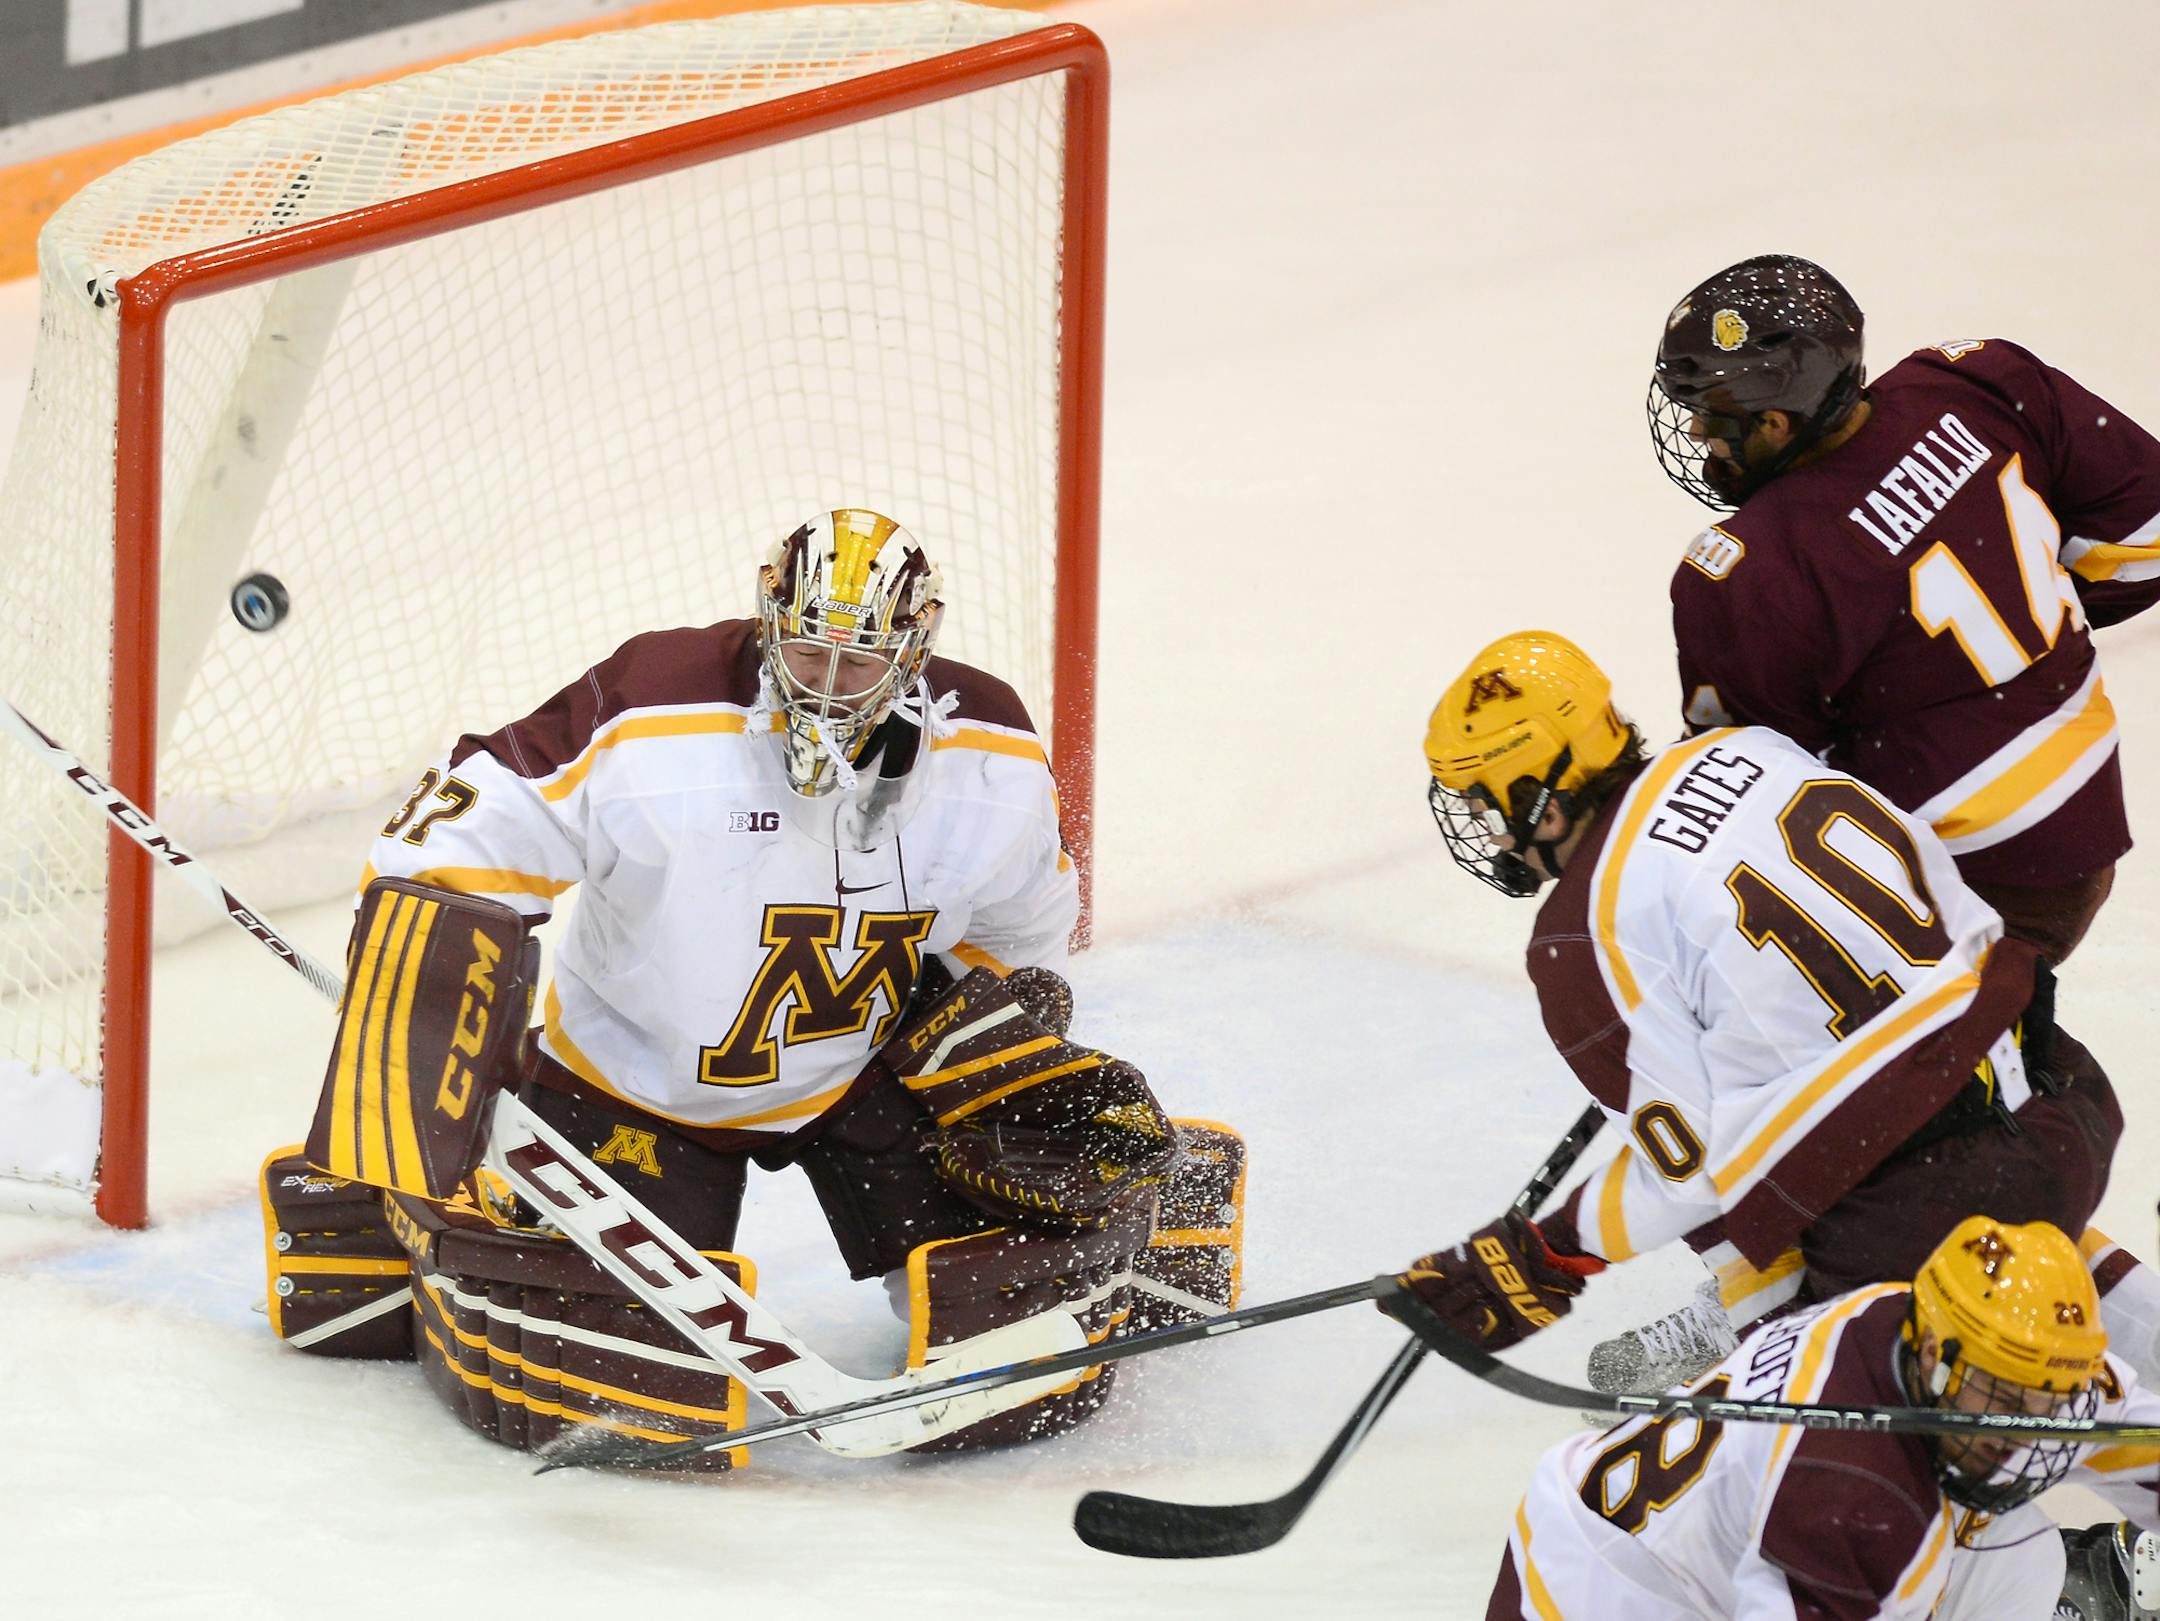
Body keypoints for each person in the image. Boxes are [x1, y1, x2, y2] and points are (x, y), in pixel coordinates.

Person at [259, 509, 1245, 1463]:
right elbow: (462, 828)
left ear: (915, 649)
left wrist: (992, 1039)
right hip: (636, 1083)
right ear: (771, 621)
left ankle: (1164, 1208)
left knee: (1025, 1278)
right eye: (806, 651)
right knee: (599, 1355)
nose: (824, 684)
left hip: (865, 1074)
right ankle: (388, 1206)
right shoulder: (655, 705)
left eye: (857, 660)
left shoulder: (991, 753)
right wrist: (426, 970)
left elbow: (1020, 928)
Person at [1393, 629, 2132, 1351]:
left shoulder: (1579, 936)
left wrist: (1551, 1248)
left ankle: (1762, 1326)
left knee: (1820, 1401)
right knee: (2008, 1235)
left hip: (1924, 1209)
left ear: (1545, 806)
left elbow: (1688, 1175)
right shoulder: (1750, 746)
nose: (1490, 836)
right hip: (2059, 1097)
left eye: (1487, 808)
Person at [1650, 253, 2160, 966]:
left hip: (1966, 884)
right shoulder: (1979, 380)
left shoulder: (1751, 568)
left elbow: (1754, 804)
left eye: (1713, 414)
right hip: (2087, 818)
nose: (1701, 435)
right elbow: (2143, 541)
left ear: (1775, 419)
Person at [1466, 1216, 2160, 1620]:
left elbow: (2140, 1439)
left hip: (1704, 1526)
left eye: (2049, 1396)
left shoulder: (1930, 1331)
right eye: (2005, 1397)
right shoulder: (1855, 1493)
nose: (2028, 1426)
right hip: (1599, 1593)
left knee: (2021, 1554)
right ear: (1931, 1350)